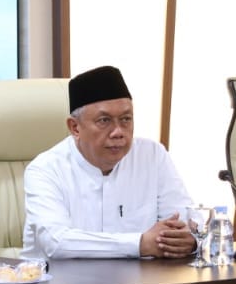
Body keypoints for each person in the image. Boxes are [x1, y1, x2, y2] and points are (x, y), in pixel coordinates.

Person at [22, 65, 195, 260]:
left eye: (126, 119)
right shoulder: (45, 170)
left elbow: (186, 220)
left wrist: (190, 240)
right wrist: (140, 244)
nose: (118, 132)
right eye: (104, 121)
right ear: (75, 127)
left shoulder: (153, 155)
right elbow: (56, 242)